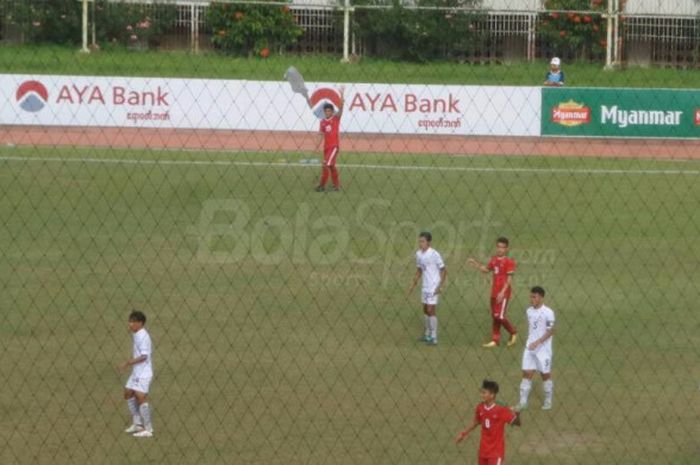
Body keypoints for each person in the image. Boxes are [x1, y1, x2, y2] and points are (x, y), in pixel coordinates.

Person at [455, 379, 521, 465]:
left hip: (496, 453)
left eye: (484, 393)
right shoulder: (480, 407)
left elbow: (517, 423)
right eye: (481, 392)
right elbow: (475, 422)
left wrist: (517, 414)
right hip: (483, 452)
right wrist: (463, 434)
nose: (481, 395)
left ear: (492, 395)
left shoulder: (501, 410)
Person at [467, 237, 517, 348]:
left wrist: (502, 292)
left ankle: (513, 332)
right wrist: (475, 263)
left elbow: (509, 279)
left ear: (507, 249)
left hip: (503, 294)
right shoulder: (494, 260)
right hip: (494, 292)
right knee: (495, 316)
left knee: (500, 316)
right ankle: (495, 340)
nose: (500, 249)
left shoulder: (509, 261)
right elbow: (486, 270)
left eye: (502, 247)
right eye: (498, 246)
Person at [517, 286, 556, 411]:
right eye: (531, 296)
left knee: (545, 375)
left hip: (543, 349)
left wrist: (538, 342)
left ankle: (548, 401)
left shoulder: (548, 312)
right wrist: (532, 343)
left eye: (534, 297)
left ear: (541, 298)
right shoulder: (529, 311)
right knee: (526, 373)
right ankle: (523, 402)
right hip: (530, 347)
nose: (531, 299)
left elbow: (551, 331)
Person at [407, 231, 446, 345]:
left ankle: (434, 337)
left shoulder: (434, 254)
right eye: (419, 241)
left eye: (423, 241)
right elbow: (419, 270)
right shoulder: (418, 254)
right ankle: (427, 334)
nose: (420, 243)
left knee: (430, 310)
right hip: (425, 286)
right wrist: (412, 284)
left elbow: (444, 270)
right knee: (425, 309)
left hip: (434, 286)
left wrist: (440, 286)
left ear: (429, 242)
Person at [119, 310, 154, 437]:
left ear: (140, 323)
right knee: (128, 393)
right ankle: (137, 424)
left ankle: (148, 429)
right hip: (136, 372)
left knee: (140, 397)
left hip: (144, 372)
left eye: (133, 321)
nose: (130, 324)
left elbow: (144, 356)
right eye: (130, 321)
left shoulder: (143, 336)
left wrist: (128, 363)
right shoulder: (137, 333)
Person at [313, 87, 344, 192]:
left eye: (329, 111)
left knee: (325, 164)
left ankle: (321, 185)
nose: (327, 113)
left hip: (334, 147)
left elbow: (341, 109)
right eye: (326, 111)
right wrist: (317, 145)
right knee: (331, 167)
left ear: (332, 111)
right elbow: (320, 134)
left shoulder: (335, 119)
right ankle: (336, 185)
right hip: (326, 148)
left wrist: (342, 95)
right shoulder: (322, 122)